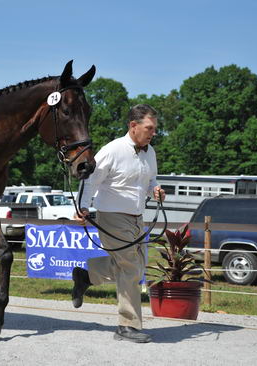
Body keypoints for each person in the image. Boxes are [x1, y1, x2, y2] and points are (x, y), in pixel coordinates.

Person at [73, 104, 165, 343]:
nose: (153, 133)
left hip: (137, 217)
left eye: (154, 129)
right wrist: (82, 208)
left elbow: (150, 179)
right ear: (133, 126)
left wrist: (155, 190)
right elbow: (90, 181)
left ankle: (86, 276)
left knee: (134, 265)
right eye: (149, 128)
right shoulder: (112, 150)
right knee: (131, 267)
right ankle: (127, 325)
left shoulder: (150, 152)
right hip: (111, 215)